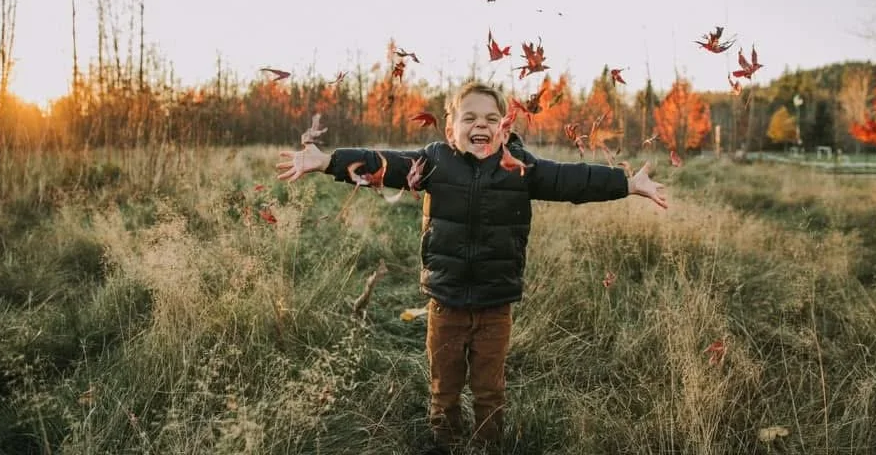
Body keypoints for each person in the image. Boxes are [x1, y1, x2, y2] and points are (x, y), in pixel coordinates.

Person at [275, 81, 667, 453]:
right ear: (450, 129)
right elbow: (385, 164)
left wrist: (627, 183)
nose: (481, 124)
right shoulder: (434, 162)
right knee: (444, 384)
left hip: (496, 301)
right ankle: (445, 442)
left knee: (488, 387)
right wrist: (328, 161)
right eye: (470, 118)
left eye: (491, 119)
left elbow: (571, 180)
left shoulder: (520, 167)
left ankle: (488, 444)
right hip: (445, 299)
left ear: (504, 127)